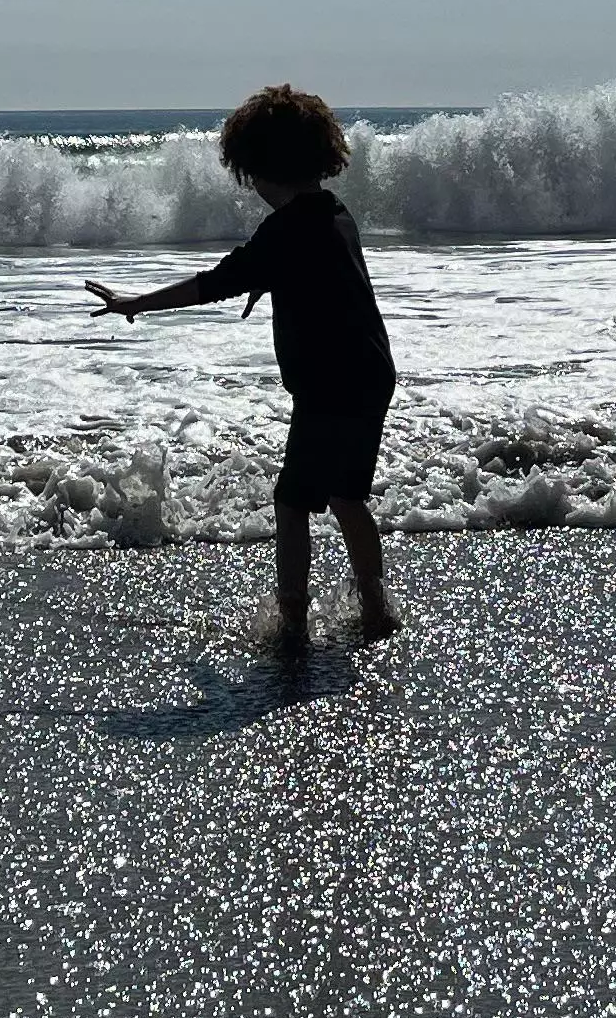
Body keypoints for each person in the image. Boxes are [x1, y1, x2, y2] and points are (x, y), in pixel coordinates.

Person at [85, 82, 399, 652]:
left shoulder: (283, 230)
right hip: (370, 371)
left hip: (329, 382)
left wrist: (136, 303)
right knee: (348, 496)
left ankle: (293, 623)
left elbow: (212, 284)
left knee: (292, 499)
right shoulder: (333, 213)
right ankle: (376, 607)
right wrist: (267, 280)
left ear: (258, 166)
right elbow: (320, 273)